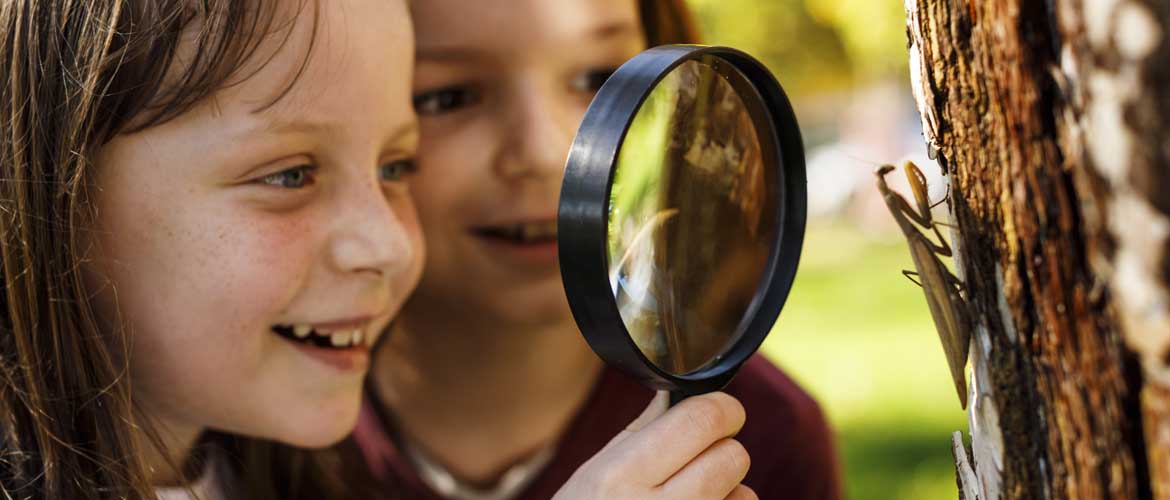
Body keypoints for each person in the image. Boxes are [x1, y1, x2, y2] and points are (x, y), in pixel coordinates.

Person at [0, 1, 753, 498]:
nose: (390, 244)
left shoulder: (285, 472)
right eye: (289, 175)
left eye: (395, 168)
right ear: (46, 186)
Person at [358, 0, 843, 499]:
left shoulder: (760, 441)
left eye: (599, 78)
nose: (544, 153)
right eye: (449, 96)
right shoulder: (282, 423)